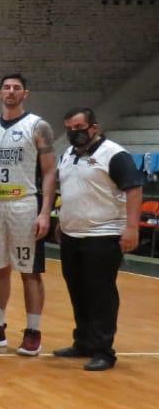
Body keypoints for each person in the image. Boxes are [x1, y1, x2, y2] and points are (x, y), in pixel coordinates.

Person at [54, 108, 143, 371]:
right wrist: (62, 220)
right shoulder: (68, 155)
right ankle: (83, 342)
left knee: (101, 293)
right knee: (78, 290)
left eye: (78, 127)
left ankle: (104, 349)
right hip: (72, 234)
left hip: (103, 235)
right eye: (69, 128)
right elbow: (70, 191)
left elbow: (134, 189)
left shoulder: (114, 154)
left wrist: (132, 227)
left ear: (94, 127)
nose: (73, 132)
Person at [0, 74, 57, 355]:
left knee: (29, 271)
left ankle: (33, 330)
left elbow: (49, 171)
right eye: (6, 88)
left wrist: (46, 211)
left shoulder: (38, 126)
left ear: (26, 93)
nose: (11, 92)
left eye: (16, 88)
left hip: (24, 203)